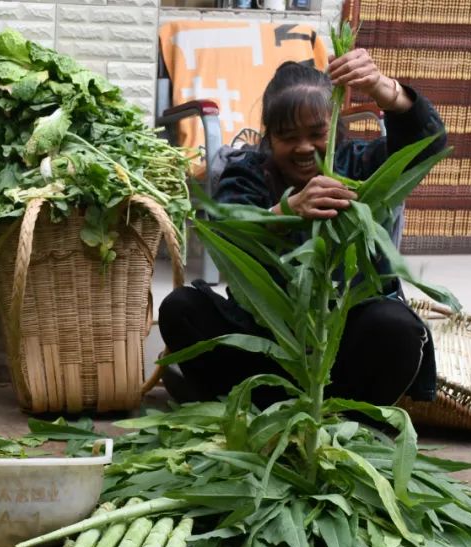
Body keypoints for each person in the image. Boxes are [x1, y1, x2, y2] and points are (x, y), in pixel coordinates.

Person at [158, 48, 446, 409]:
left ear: (336, 127)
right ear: (269, 137)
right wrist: (286, 211)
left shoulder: (360, 164)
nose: (304, 148)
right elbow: (228, 231)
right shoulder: (249, 171)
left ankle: (349, 422)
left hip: (342, 348)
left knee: (396, 326)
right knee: (181, 307)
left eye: (316, 132)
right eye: (288, 136)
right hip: (268, 340)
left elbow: (428, 147)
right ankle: (245, 408)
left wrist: (386, 91)